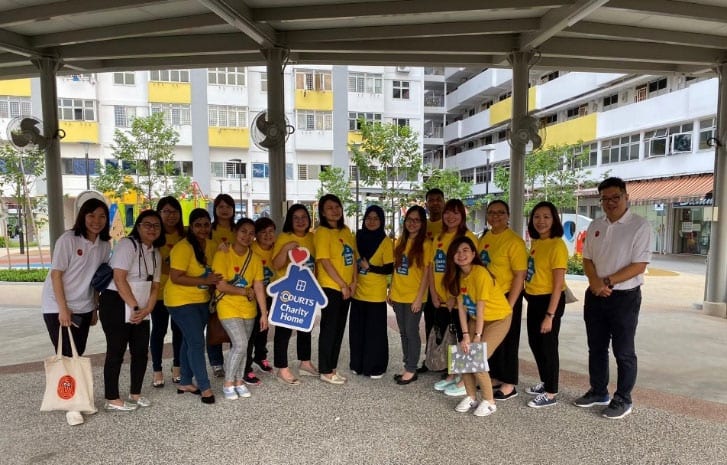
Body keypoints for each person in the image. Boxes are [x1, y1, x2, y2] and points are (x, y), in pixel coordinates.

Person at [575, 177, 651, 419]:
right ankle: (598, 391)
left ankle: (623, 398)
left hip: (624, 298)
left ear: (626, 197)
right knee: (596, 347)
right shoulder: (597, 224)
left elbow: (639, 265)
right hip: (595, 296)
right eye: (605, 199)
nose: (609, 203)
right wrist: (595, 283)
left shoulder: (640, 226)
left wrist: (607, 282)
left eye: (615, 197)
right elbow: (587, 260)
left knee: (624, 351)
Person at [41, 197, 111, 426]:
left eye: (102, 216)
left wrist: (94, 307)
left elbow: (96, 280)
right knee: (68, 355)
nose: (96, 221)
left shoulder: (104, 245)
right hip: (57, 305)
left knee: (77, 353)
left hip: (83, 305)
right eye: (91, 215)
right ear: (83, 216)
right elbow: (56, 275)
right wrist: (63, 309)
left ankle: (78, 398)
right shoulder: (68, 240)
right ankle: (71, 405)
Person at [99, 210, 164, 411]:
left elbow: (155, 286)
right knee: (116, 351)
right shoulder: (128, 245)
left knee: (140, 351)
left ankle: (135, 393)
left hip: (141, 308)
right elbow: (119, 278)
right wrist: (134, 306)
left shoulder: (156, 254)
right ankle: (112, 397)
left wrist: (147, 309)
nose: (152, 229)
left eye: (156, 225)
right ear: (138, 226)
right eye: (147, 224)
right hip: (117, 304)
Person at [443, 237, 512, 417]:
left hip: (498, 319)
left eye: (466, 250)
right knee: (464, 353)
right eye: (457, 252)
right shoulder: (458, 276)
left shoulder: (480, 273)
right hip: (476, 318)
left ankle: (489, 401)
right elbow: (461, 309)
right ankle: (471, 396)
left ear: (474, 254)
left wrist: (477, 336)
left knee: (476, 356)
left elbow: (480, 308)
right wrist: (465, 335)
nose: (461, 255)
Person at [165, 208, 222, 405]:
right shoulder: (183, 247)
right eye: (198, 224)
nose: (203, 229)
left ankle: (186, 382)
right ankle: (205, 388)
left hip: (202, 300)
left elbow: (217, 270)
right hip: (180, 301)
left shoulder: (212, 245)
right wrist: (204, 279)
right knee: (197, 343)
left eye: (206, 224)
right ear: (191, 226)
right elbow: (175, 277)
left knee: (189, 342)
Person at [212, 218, 269, 400]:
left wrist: (264, 313)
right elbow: (220, 285)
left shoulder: (255, 258)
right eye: (243, 231)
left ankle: (239, 381)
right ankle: (228, 382)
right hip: (227, 306)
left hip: (249, 309)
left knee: (243, 347)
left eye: (251, 233)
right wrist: (244, 290)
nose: (247, 236)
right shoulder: (222, 254)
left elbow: (259, 286)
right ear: (235, 232)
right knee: (241, 344)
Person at [478, 200, 528, 401]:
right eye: (491, 212)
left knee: (508, 341)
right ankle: (496, 376)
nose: (495, 216)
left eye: (500, 212)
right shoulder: (486, 237)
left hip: (507, 296)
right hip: (489, 297)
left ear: (508, 216)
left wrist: (511, 304)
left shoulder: (514, 241)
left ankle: (509, 384)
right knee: (493, 339)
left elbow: (520, 275)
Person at [429, 199, 478, 396]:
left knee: (462, 337)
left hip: (460, 299)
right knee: (450, 337)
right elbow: (433, 266)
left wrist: (453, 295)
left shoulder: (468, 237)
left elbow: (468, 271)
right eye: (448, 212)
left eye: (456, 213)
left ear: (463, 216)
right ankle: (452, 374)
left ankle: (463, 381)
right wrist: (433, 292)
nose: (451, 216)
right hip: (440, 299)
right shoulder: (439, 237)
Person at [523, 201, 568, 409]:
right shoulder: (537, 242)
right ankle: (545, 382)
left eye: (546, 217)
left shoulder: (557, 244)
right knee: (535, 343)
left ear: (554, 220)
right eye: (537, 217)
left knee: (548, 347)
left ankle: (551, 393)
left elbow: (558, 283)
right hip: (534, 299)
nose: (541, 221)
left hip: (549, 301)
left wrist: (550, 315)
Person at [271, 204, 318, 385]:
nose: (300, 221)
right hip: (287, 292)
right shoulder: (284, 237)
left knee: (305, 328)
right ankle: (282, 368)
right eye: (296, 218)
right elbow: (276, 264)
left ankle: (305, 362)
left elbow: (316, 264)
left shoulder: (312, 238)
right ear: (290, 220)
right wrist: (286, 249)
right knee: (283, 331)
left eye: (303, 217)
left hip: (307, 291)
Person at [314, 194, 357, 385]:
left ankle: (332, 368)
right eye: (329, 208)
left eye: (337, 206)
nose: (335, 210)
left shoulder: (346, 230)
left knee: (339, 329)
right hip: (331, 287)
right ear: (323, 212)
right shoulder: (322, 232)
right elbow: (324, 261)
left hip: (347, 288)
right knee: (329, 328)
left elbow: (353, 257)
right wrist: (342, 284)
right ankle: (325, 369)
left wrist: (353, 282)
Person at [349, 205, 393, 379]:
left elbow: (389, 268)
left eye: (376, 218)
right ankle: (357, 364)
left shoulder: (385, 241)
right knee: (357, 331)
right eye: (369, 218)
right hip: (358, 292)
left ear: (381, 221)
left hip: (375, 294)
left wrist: (370, 267)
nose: (372, 221)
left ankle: (375, 366)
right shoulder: (357, 237)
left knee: (375, 333)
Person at [389, 205, 430, 385]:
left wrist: (419, 298)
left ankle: (412, 369)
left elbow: (427, 274)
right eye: (409, 219)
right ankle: (407, 366)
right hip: (398, 295)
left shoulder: (426, 244)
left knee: (412, 332)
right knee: (403, 332)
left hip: (414, 297)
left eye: (417, 220)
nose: (412, 223)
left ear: (422, 223)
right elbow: (396, 269)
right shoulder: (399, 241)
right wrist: (390, 290)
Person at [150, 196, 185, 387]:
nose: (171, 216)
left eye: (174, 212)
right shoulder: (154, 236)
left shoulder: (185, 235)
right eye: (166, 211)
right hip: (159, 292)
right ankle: (157, 369)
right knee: (159, 331)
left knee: (178, 331)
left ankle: (177, 366)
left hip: (180, 293)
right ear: (159, 213)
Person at [241, 217, 276, 385]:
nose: (268, 235)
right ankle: (245, 367)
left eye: (271, 231)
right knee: (251, 333)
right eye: (263, 232)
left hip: (270, 296)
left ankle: (260, 357)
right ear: (256, 236)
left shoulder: (277, 249)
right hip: (253, 297)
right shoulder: (251, 249)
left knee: (263, 329)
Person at [207, 194, 237, 378]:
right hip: (214, 281)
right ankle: (216, 362)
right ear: (215, 209)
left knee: (237, 321)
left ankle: (236, 357)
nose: (224, 210)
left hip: (237, 282)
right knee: (214, 323)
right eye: (221, 206)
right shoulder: (209, 230)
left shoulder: (237, 230)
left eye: (228, 206)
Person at [419, 188, 445, 373]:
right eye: (431, 200)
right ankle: (430, 359)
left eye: (438, 200)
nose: (435, 203)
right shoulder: (422, 226)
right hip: (427, 283)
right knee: (429, 323)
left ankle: (446, 363)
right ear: (426, 204)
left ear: (443, 202)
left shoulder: (449, 225)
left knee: (447, 325)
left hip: (446, 286)